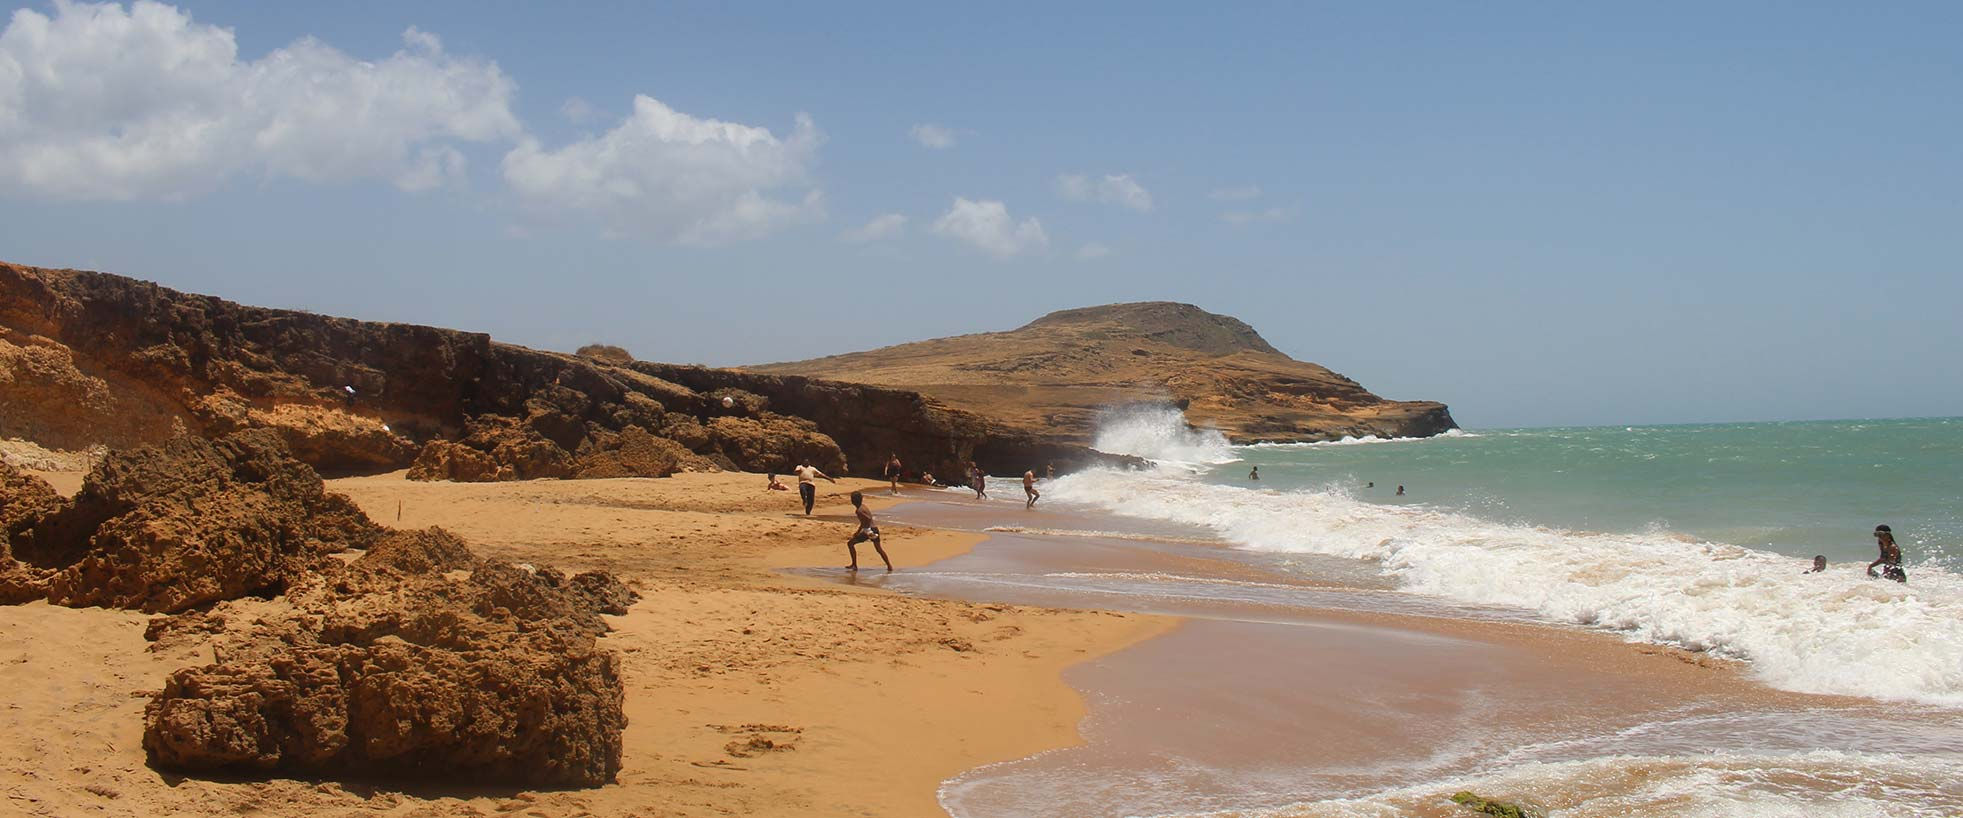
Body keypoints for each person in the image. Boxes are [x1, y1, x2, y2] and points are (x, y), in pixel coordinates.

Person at [846, 490, 892, 572]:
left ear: (853, 501)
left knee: (850, 544)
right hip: (874, 529)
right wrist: (859, 530)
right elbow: (865, 521)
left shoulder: (859, 510)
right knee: (879, 549)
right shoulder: (863, 506)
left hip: (868, 531)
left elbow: (867, 519)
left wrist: (862, 531)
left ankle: (854, 565)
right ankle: (889, 566)